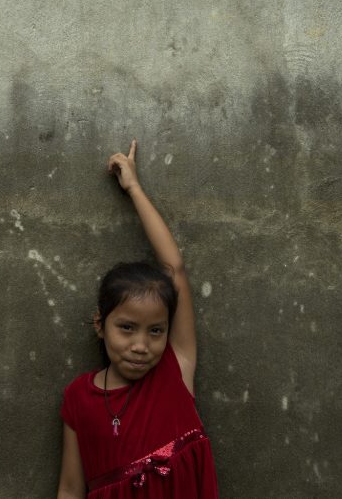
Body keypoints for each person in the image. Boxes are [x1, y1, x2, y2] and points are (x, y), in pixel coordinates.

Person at [57, 140, 219, 498]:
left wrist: (134, 188)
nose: (141, 345)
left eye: (156, 331)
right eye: (126, 328)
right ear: (100, 325)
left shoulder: (174, 370)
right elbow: (70, 489)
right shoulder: (78, 398)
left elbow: (173, 269)